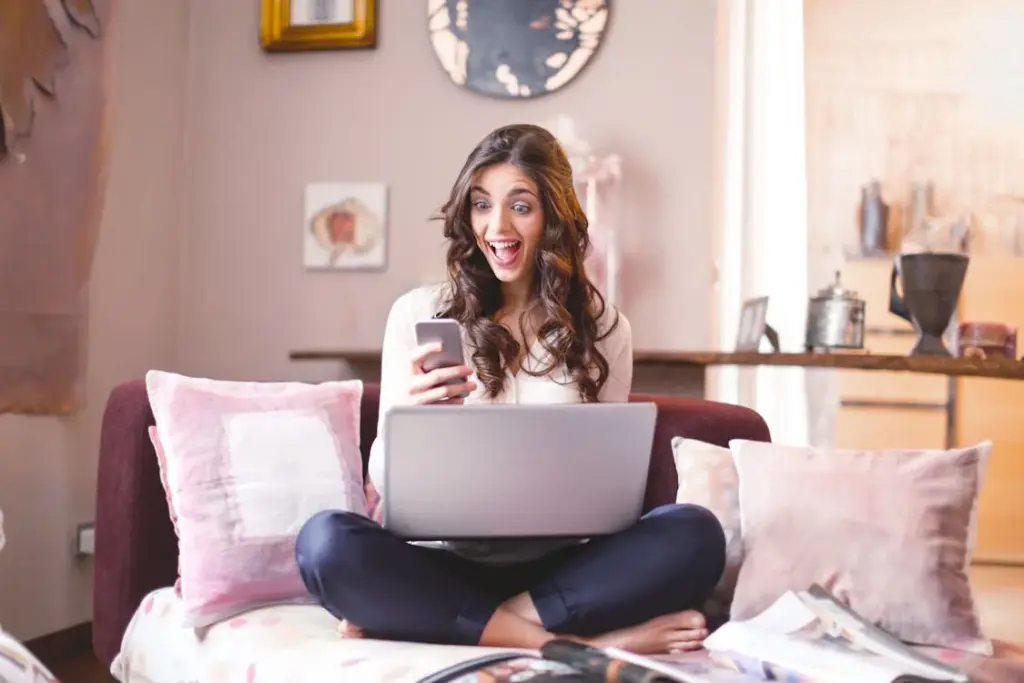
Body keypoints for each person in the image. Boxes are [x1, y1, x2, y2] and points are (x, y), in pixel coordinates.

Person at [294, 124, 726, 654]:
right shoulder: (416, 313)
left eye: (520, 206)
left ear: (553, 215)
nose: (495, 226)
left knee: (696, 534)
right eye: (481, 205)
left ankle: (464, 624)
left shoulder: (605, 327)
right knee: (325, 544)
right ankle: (583, 644)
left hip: (561, 575)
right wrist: (409, 412)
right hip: (446, 563)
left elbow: (613, 496)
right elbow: (385, 486)